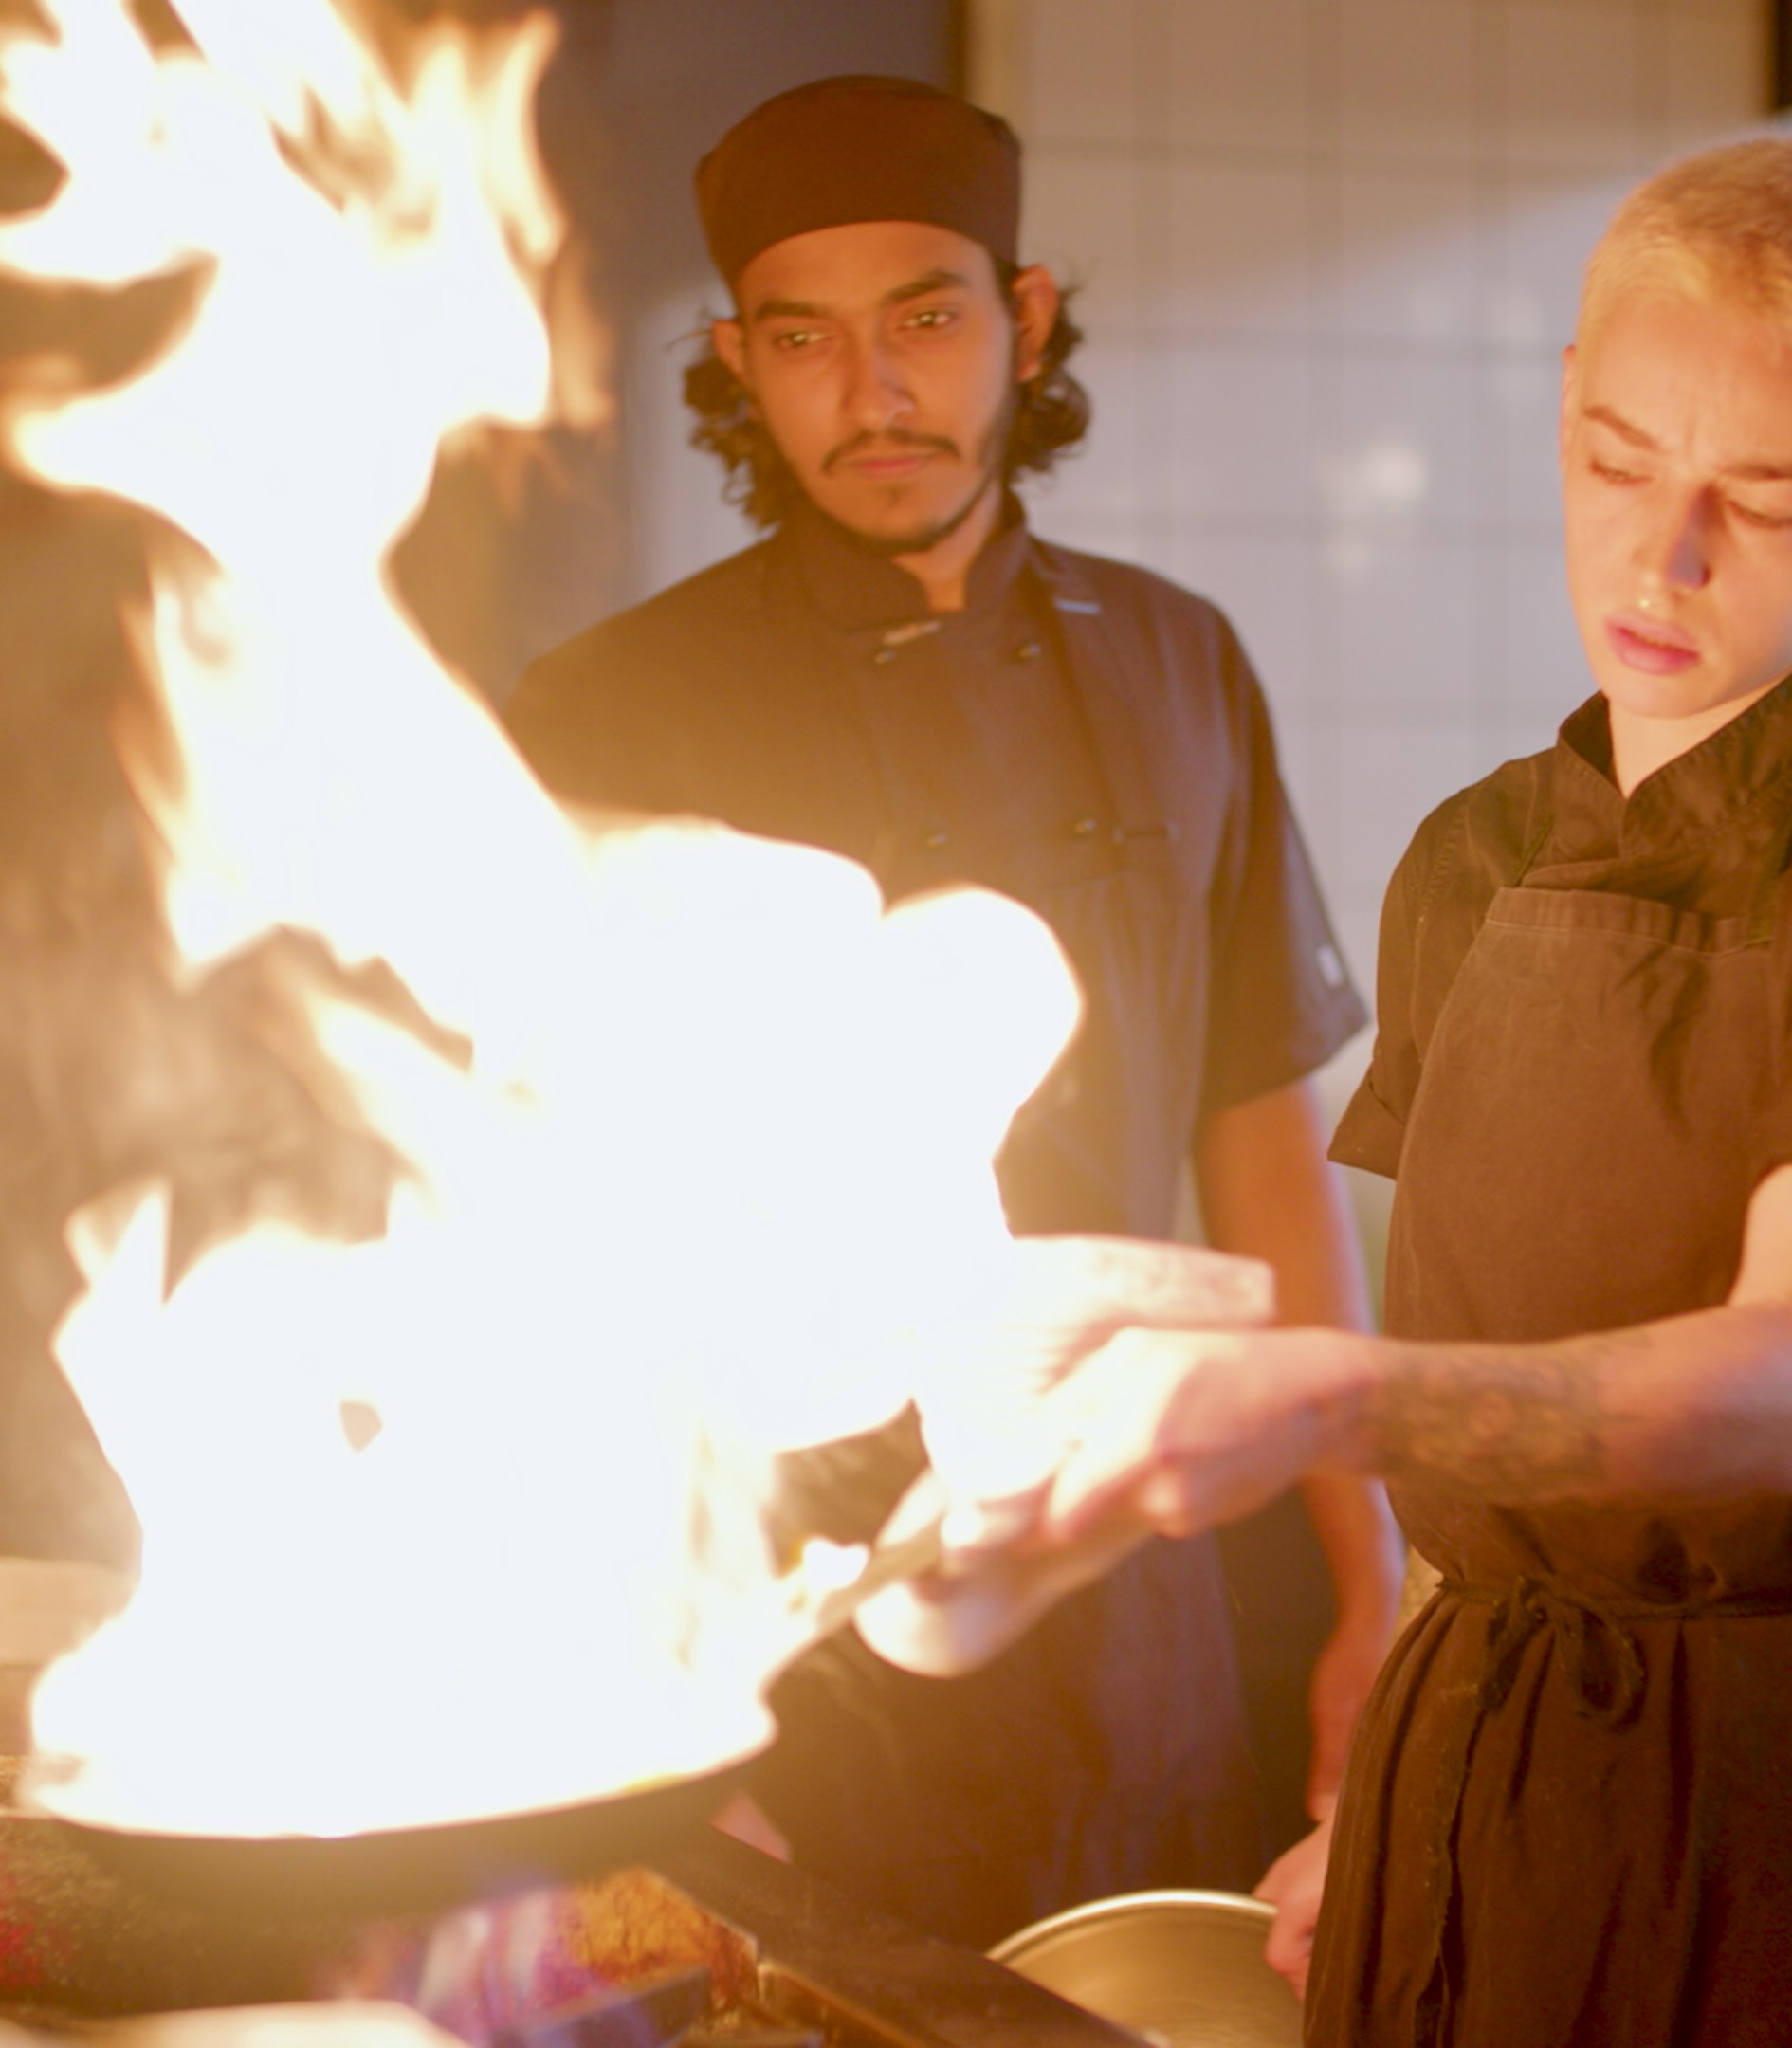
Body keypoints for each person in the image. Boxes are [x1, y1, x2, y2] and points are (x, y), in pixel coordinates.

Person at [1002, 137, 1792, 2044]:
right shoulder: (1467, 861)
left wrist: (1323, 1395)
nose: (1661, 558)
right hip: (1470, 1764)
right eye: (1613, 464)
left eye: (1758, 501)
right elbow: (1478, 1362)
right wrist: (1385, 1789)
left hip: (1773, 1802)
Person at [498, 76, 1399, 1950]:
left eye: (925, 315)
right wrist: (642, 1704)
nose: (873, 388)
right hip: (773, 1612)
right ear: (740, 363)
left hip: (1152, 1579)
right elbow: (534, 1260)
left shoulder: (1179, 663)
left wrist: (1373, 1590)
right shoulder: (603, 711)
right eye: (805, 339)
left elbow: (1265, 1161)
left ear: (1027, 318)